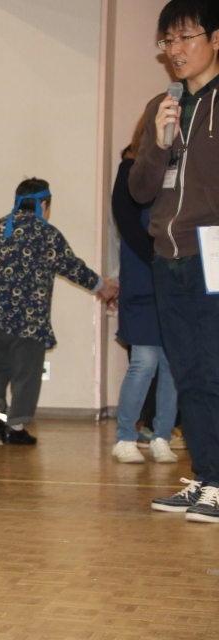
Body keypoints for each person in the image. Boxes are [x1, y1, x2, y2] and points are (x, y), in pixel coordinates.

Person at [129, 0, 219, 521]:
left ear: (214, 39)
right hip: (170, 258)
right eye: (168, 41)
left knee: (213, 368)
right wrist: (160, 142)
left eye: (186, 37)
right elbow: (141, 191)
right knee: (188, 373)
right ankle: (208, 477)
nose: (176, 50)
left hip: (213, 254)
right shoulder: (162, 105)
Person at [0, 179, 119, 445]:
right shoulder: (44, 232)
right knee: (26, 374)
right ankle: (15, 429)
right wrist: (102, 286)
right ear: (44, 204)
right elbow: (71, 266)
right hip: (27, 320)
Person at [111, 120, 179, 465]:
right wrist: (156, 256)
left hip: (176, 273)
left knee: (171, 364)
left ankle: (161, 435)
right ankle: (125, 436)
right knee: (144, 360)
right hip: (144, 271)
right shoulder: (129, 169)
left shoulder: (181, 168)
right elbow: (125, 220)